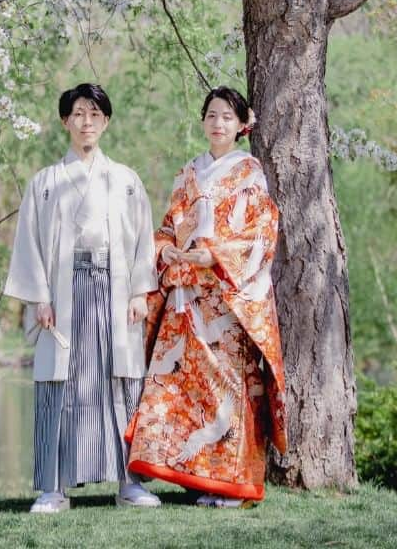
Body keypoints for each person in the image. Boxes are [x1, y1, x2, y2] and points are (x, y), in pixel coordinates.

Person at [4, 83, 162, 513]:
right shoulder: (46, 182)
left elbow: (142, 242)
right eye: (78, 113)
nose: (86, 121)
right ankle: (53, 488)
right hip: (64, 290)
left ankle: (131, 482)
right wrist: (40, 297)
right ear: (64, 121)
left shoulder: (126, 179)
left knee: (122, 381)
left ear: (106, 121)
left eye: (94, 113)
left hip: (115, 291)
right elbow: (30, 243)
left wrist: (138, 291)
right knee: (61, 383)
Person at [125, 86, 287, 507]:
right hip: (185, 298)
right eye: (212, 116)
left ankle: (231, 484)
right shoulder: (187, 173)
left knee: (227, 392)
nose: (218, 124)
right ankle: (199, 481)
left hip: (224, 300)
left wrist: (211, 254)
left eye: (227, 118)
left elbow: (259, 235)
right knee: (177, 388)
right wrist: (166, 251)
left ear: (241, 127)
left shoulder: (249, 173)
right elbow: (166, 227)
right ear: (203, 120)